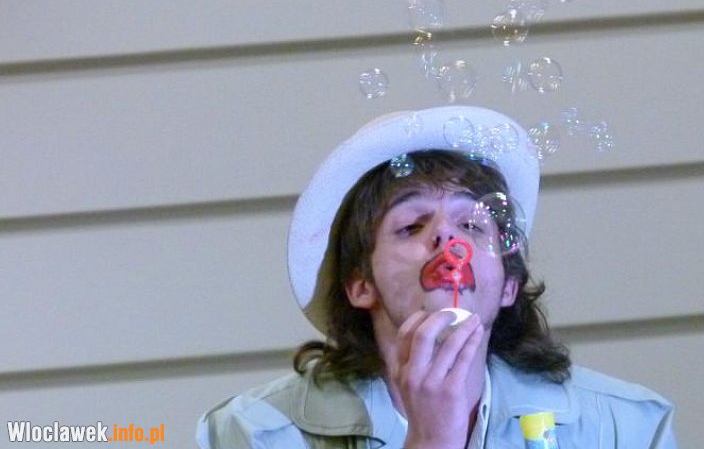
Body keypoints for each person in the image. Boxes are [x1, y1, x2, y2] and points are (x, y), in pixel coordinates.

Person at [196, 105, 677, 449]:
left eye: (472, 225)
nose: (448, 238)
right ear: (360, 285)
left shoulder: (627, 427)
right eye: (411, 226)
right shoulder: (255, 432)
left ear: (508, 285)